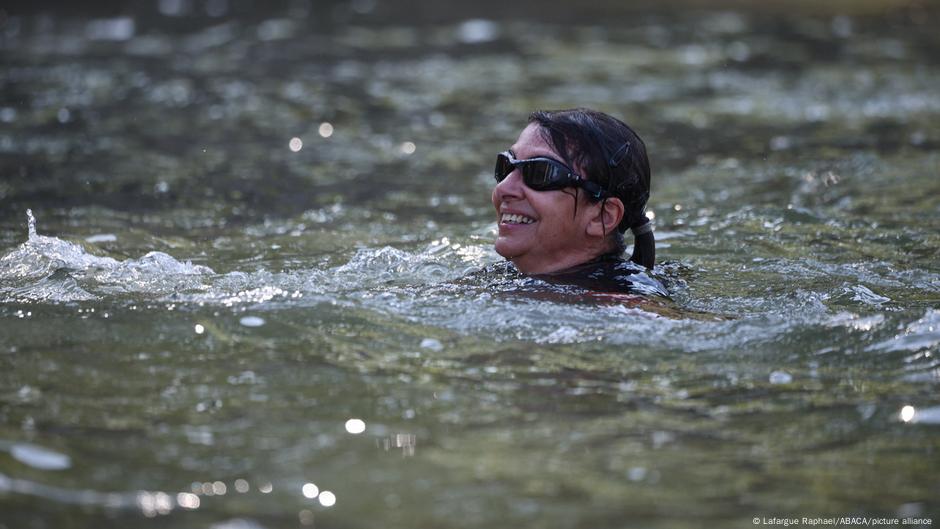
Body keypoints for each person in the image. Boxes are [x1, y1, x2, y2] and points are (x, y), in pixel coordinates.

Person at [489, 108, 668, 298]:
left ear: (603, 218)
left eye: (540, 173)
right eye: (506, 166)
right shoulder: (498, 279)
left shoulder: (627, 306)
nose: (503, 189)